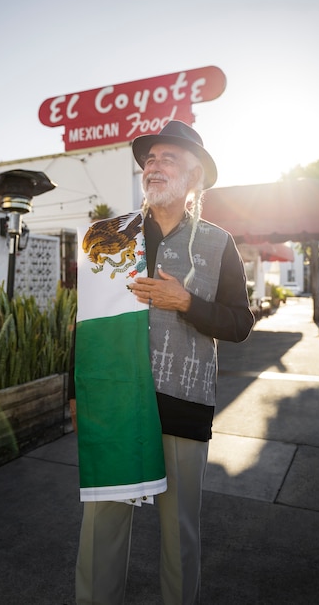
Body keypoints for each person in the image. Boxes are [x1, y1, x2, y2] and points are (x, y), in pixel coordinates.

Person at [69, 120, 254, 604]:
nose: (153, 165)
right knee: (100, 530)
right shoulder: (107, 237)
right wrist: (75, 394)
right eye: (149, 159)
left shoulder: (219, 243)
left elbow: (239, 323)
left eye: (167, 157)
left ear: (194, 177)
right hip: (115, 403)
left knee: (179, 535)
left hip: (183, 404)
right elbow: (85, 324)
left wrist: (186, 301)